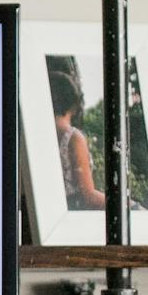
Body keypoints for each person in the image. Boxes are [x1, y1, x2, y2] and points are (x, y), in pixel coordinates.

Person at [51, 67, 107, 210]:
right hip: (71, 214)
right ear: (74, 103)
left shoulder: (39, 135)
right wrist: (129, 206)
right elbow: (88, 196)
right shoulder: (72, 137)